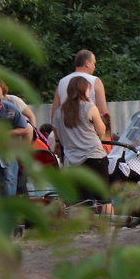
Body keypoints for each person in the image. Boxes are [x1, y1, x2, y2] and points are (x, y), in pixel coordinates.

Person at [52, 75, 111, 214]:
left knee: (82, 200)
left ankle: (85, 228)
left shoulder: (59, 111)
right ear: (84, 90)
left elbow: (56, 131)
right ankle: (110, 227)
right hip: (95, 156)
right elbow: (101, 130)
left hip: (73, 161)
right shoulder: (89, 107)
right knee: (104, 198)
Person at [50, 50, 110, 139]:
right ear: (87, 63)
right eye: (93, 63)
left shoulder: (62, 82)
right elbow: (103, 113)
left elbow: (54, 113)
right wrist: (106, 137)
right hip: (89, 136)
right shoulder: (95, 81)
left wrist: (57, 139)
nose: (94, 67)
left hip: (67, 137)